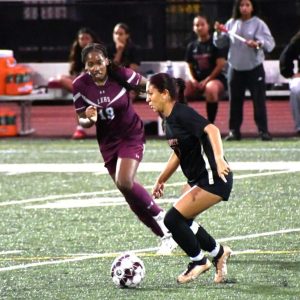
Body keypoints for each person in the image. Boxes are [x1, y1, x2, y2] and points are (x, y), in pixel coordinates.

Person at [72, 43, 177, 255]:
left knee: (124, 181)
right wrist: (88, 120)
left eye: (99, 62)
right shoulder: (79, 85)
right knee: (129, 196)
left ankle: (161, 216)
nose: (95, 67)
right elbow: (81, 119)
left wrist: (167, 113)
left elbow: (151, 89)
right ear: (85, 67)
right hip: (107, 142)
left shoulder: (122, 75)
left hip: (131, 135)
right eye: (90, 64)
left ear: (107, 61)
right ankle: (166, 237)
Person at [146, 72, 233, 284]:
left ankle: (198, 261)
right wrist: (162, 179)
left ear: (165, 94)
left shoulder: (181, 113)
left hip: (214, 177)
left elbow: (211, 129)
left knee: (172, 220)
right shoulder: (169, 120)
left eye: (150, 93)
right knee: (183, 220)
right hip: (200, 179)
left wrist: (219, 159)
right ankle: (218, 252)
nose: (147, 99)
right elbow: (178, 152)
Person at [213, 0, 275, 141]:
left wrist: (258, 43)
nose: (244, 8)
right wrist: (217, 33)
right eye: (242, 5)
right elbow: (219, 43)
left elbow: (270, 43)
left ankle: (263, 131)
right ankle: (234, 131)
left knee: (259, 101)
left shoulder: (259, 24)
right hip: (235, 68)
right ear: (238, 7)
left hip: (254, 68)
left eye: (247, 5)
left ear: (252, 7)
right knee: (234, 102)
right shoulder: (231, 23)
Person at [56, 27, 101, 139]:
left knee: (79, 94)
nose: (84, 41)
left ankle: (80, 129)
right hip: (85, 87)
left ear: (92, 40)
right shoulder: (78, 55)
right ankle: (81, 128)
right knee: (63, 80)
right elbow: (77, 75)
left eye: (87, 38)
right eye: (82, 39)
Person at [185, 14, 227, 124]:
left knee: (210, 88)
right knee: (179, 89)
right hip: (198, 81)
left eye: (202, 24)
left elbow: (220, 65)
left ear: (208, 26)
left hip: (216, 80)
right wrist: (193, 80)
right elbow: (188, 66)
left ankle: (210, 124)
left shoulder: (216, 43)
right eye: (196, 25)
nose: (199, 27)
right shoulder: (191, 46)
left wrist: (207, 80)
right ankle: (184, 123)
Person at [279, 30, 300, 136]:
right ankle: (299, 126)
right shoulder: (297, 41)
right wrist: (291, 73)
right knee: (296, 88)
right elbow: (285, 58)